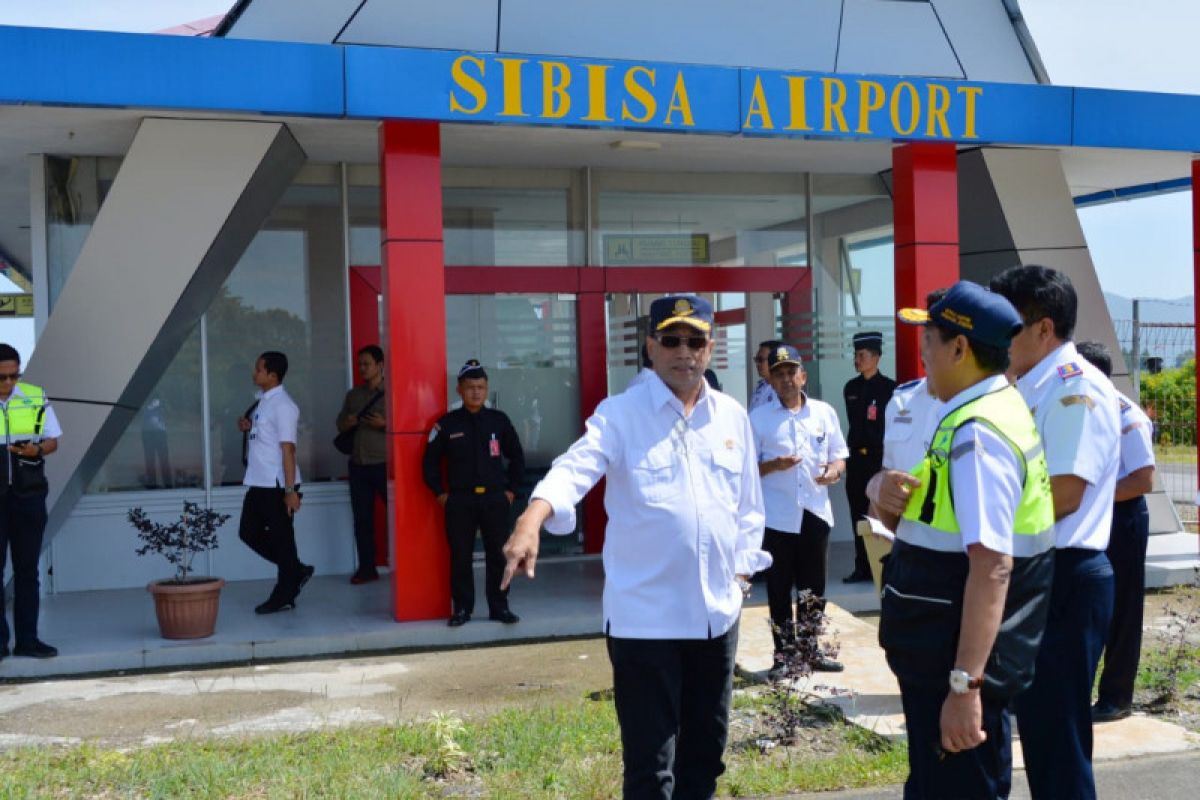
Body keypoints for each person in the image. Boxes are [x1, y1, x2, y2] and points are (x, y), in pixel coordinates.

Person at [500, 294, 770, 800]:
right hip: (646, 622)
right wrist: (532, 518)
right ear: (650, 346)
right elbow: (576, 466)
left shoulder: (732, 416)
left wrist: (739, 575)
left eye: (695, 341)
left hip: (716, 616)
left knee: (707, 755)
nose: (683, 352)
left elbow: (749, 509)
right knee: (651, 766)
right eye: (671, 340)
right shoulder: (621, 414)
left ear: (711, 347)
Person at [879, 281, 1056, 799]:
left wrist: (965, 686)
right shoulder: (979, 410)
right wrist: (878, 487)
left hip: (950, 662)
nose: (922, 355)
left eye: (928, 340)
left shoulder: (978, 432)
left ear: (959, 348)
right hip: (939, 652)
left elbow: (993, 565)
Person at [989, 265, 1120, 800]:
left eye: (1010, 326)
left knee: (1058, 740)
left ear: (1045, 329)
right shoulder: (1026, 387)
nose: (1000, 339)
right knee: (1040, 732)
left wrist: (982, 516)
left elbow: (1064, 496)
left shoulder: (1075, 390)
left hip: (1065, 574)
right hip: (1038, 571)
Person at [749, 343, 848, 674]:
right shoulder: (759, 419)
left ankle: (810, 650)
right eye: (779, 375)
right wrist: (774, 465)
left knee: (813, 589)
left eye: (792, 373)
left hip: (815, 512)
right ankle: (783, 656)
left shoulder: (823, 412)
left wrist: (834, 471)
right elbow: (746, 468)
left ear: (803, 376)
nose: (787, 380)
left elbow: (839, 454)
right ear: (771, 381)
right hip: (777, 517)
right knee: (779, 589)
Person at [1075, 341, 1157, 724]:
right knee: (1090, 607)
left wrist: (1096, 496)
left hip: (1123, 518)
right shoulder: (1086, 409)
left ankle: (1116, 696)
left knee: (1123, 610)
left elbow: (1143, 479)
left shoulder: (1128, 416)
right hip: (1096, 517)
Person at [422, 359, 525, 627]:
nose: (476, 392)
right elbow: (428, 463)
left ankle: (499, 607)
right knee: (460, 556)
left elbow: (517, 458)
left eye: (480, 387)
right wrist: (440, 494)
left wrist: (512, 490)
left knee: (498, 555)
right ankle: (462, 609)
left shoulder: (499, 421)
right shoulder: (446, 424)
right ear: (459, 390)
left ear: (487, 388)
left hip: (494, 499)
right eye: (470, 388)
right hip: (460, 501)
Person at [237, 351, 312, 615]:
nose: (254, 373)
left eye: (258, 369)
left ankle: (284, 592)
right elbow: (265, 435)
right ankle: (296, 570)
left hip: (278, 484)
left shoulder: (283, 405)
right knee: (248, 532)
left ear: (272, 375)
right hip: (259, 482)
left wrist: (290, 491)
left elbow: (288, 450)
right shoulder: (263, 402)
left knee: (282, 540)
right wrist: (248, 426)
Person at [0, 343, 61, 661]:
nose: (9, 384)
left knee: (27, 571)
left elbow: (53, 439)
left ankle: (28, 640)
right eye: (2, 378)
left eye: (14, 376)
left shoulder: (35, 396)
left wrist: (35, 450)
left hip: (29, 494)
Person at [842, 331, 896, 583]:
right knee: (857, 514)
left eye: (862, 355)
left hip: (877, 459)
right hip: (857, 459)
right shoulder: (851, 387)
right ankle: (861, 566)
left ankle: (883, 566)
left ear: (876, 357)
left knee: (879, 515)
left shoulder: (889, 389)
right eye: (856, 354)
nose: (857, 359)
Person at [336, 345, 387, 585]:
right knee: (362, 519)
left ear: (380, 365)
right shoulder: (353, 395)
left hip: (384, 464)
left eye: (367, 364)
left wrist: (384, 424)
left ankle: (404, 564)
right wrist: (348, 422)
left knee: (396, 517)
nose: (363, 368)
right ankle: (367, 568)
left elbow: (407, 424)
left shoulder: (392, 392)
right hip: (358, 465)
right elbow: (340, 425)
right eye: (360, 364)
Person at [749, 339, 783, 411]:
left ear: (774, 360)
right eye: (756, 360)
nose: (757, 364)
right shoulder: (760, 387)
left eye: (760, 360)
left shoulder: (784, 388)